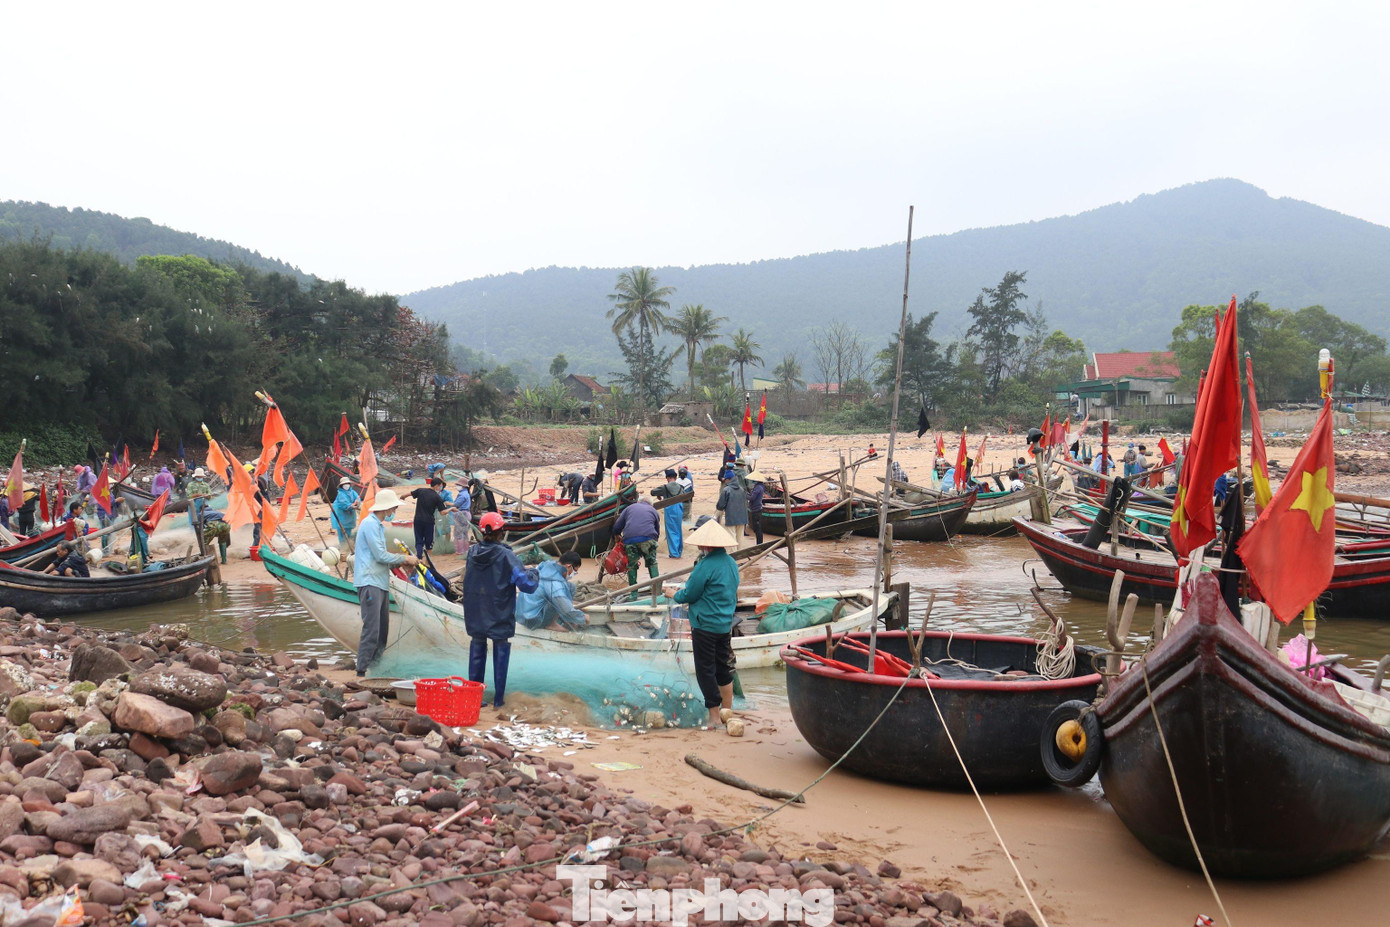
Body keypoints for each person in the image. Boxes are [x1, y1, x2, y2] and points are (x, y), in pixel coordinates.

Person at [668, 520, 741, 728]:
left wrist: (673, 594)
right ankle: (728, 711)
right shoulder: (731, 563)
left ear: (705, 545)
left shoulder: (705, 565)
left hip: (705, 626)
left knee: (705, 670)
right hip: (725, 624)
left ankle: (714, 716)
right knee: (723, 668)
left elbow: (689, 594)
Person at [463, 511, 539, 708]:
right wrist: (533, 572)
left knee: (477, 647)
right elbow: (527, 585)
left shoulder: (472, 552)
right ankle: (498, 700)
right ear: (501, 532)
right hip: (499, 612)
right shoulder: (506, 556)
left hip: (475, 611)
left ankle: (474, 698)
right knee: (501, 650)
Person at [352, 489, 417, 677]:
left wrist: (401, 561)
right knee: (372, 629)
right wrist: (404, 559)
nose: (395, 509)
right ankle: (362, 670)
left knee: (382, 631)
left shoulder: (378, 526)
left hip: (380, 582)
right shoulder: (370, 525)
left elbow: (381, 556)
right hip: (370, 581)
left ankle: (376, 667)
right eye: (394, 507)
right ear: (387, 507)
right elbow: (380, 555)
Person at [516, 550, 587, 631]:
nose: (573, 574)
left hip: (522, 612)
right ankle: (550, 624)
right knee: (558, 598)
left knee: (570, 587)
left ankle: (565, 619)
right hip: (531, 620)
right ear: (568, 566)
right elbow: (565, 608)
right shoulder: (554, 583)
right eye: (574, 571)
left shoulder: (547, 565)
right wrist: (583, 617)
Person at [613, 494, 661, 596]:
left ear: (638, 502)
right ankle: (657, 591)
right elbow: (657, 531)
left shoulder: (629, 508)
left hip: (630, 540)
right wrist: (653, 543)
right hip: (649, 539)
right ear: (651, 504)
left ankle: (633, 594)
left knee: (632, 566)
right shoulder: (653, 511)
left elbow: (617, 526)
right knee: (652, 563)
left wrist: (617, 535)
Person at [408, 478, 452, 558]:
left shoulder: (421, 491)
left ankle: (419, 557)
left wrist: (402, 497)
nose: (440, 488)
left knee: (419, 540)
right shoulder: (437, 497)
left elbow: (409, 494)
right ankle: (428, 560)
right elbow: (442, 512)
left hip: (417, 520)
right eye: (440, 486)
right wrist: (451, 509)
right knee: (429, 541)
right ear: (436, 486)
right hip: (429, 522)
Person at [652, 469, 685, 558]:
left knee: (671, 531)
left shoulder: (665, 487)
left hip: (670, 508)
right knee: (678, 530)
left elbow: (652, 492)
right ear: (675, 477)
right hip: (679, 508)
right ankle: (679, 551)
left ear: (668, 477)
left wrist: (660, 494)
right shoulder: (681, 487)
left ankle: (674, 553)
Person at [716, 469, 748, 546]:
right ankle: (740, 555)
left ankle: (733, 555)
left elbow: (720, 505)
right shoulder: (741, 489)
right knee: (740, 538)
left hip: (731, 517)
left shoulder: (726, 490)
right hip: (742, 518)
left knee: (731, 537)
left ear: (728, 479)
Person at [331, 477, 360, 548]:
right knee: (342, 532)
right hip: (341, 516)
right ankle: (343, 547)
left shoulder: (352, 492)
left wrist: (357, 504)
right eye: (344, 484)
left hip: (350, 516)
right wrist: (352, 506)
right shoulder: (340, 494)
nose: (346, 485)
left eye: (347, 483)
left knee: (348, 531)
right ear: (341, 485)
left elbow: (358, 499)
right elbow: (343, 504)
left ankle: (349, 546)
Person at [450, 480, 472, 556]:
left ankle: (459, 551)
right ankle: (466, 550)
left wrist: (448, 504)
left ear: (463, 486)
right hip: (467, 514)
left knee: (458, 534)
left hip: (462, 514)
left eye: (458, 485)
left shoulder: (462, 495)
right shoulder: (467, 494)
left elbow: (456, 504)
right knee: (465, 534)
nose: (457, 486)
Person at [745, 471, 766, 545]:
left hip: (756, 509)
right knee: (757, 528)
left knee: (757, 528)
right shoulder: (760, 486)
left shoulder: (758, 488)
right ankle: (759, 543)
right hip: (757, 508)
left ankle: (759, 544)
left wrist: (744, 495)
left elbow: (752, 498)